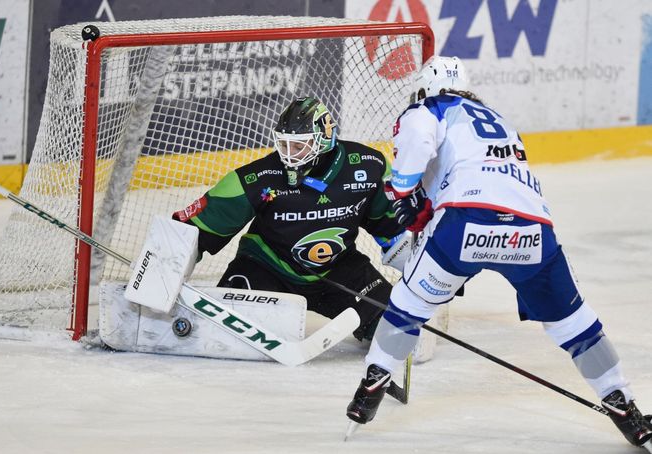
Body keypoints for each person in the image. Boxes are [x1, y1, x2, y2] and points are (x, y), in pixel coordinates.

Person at [345, 56, 652, 449]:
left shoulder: (431, 108)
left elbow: (419, 143)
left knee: (408, 307)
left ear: (426, 89)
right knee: (576, 325)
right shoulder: (498, 120)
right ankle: (621, 401)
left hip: (464, 226)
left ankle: (374, 380)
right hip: (533, 232)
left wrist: (402, 192)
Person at [172, 96, 407, 342]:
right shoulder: (260, 178)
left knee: (394, 331)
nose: (288, 154)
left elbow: (389, 228)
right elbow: (195, 231)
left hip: (339, 270)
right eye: (284, 145)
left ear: (324, 140)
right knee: (226, 335)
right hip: (268, 268)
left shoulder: (369, 167)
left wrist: (417, 275)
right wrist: (164, 270)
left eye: (298, 146)